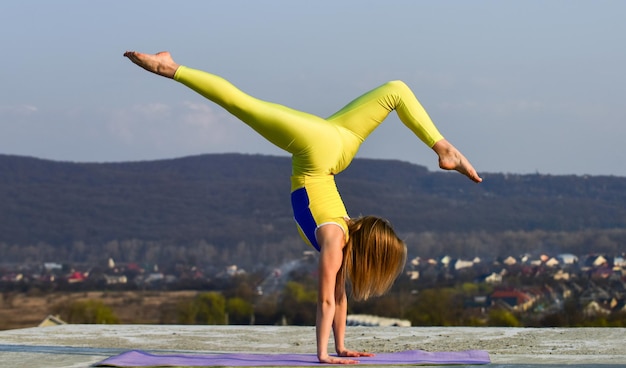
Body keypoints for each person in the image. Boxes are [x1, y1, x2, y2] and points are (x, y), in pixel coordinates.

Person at [124, 51, 482, 364]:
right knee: (242, 104)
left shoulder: (342, 240)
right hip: (319, 148)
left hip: (338, 144)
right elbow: (325, 302)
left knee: (396, 90)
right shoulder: (332, 240)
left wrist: (342, 347)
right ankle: (169, 68)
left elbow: (339, 299)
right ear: (370, 257)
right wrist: (322, 354)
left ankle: (444, 148)